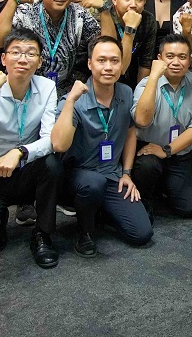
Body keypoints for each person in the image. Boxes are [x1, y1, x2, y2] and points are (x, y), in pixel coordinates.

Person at [0, 28, 63, 269]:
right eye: (16, 52)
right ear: (3, 59)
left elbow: (50, 138)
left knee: (53, 163)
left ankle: (43, 234)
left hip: (26, 171)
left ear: (39, 61)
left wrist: (21, 152)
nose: (23, 59)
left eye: (31, 53)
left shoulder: (47, 88)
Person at [50, 36, 153, 257]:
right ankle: (84, 230)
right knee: (92, 183)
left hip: (111, 175)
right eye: (101, 60)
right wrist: (69, 102)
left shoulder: (125, 92)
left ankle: (100, 212)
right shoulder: (74, 99)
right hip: (78, 177)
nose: (108, 67)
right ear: (90, 64)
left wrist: (126, 172)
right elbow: (59, 145)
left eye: (114, 61)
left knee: (142, 233)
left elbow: (130, 131)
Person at [0, 0, 101, 98]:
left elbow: (105, 47)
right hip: (28, 88)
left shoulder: (79, 14)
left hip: (66, 92)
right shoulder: (26, 12)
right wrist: (13, 0)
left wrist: (104, 10)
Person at [130, 34, 192, 218]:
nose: (176, 62)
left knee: (190, 209)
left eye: (182, 57)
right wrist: (154, 77)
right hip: (148, 150)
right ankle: (146, 197)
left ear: (189, 60)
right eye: (170, 56)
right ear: (160, 59)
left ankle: (164, 186)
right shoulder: (145, 84)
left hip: (178, 152)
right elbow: (141, 120)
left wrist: (167, 150)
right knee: (148, 167)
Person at [99, 0, 156, 87]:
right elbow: (119, 68)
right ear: (114, 0)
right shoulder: (104, 18)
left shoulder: (148, 20)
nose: (133, 5)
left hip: (134, 79)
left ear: (144, 1)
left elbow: (145, 63)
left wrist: (139, 95)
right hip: (104, 79)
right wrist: (130, 28)